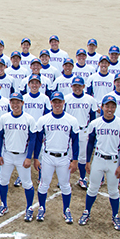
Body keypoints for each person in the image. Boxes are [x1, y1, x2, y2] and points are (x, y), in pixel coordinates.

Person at [79, 95, 120, 229]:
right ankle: (86, 212)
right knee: (93, 187)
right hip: (98, 159)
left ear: (115, 108)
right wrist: (88, 161)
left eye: (112, 106)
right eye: (107, 106)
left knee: (113, 190)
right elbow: (90, 143)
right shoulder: (95, 123)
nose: (110, 109)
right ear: (102, 107)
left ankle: (115, 216)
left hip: (113, 160)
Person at [32, 91, 79, 223]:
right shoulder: (44, 119)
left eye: (59, 101)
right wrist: (36, 158)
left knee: (65, 185)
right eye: (55, 102)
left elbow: (75, 141)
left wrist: (75, 160)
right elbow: (38, 140)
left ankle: (66, 210)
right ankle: (41, 208)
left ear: (63, 103)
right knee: (43, 184)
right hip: (47, 156)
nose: (57, 104)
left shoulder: (71, 120)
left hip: (64, 157)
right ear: (51, 103)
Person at [0, 93, 36, 217]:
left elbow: (33, 139)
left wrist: (29, 157)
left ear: (22, 103)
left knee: (27, 183)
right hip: (7, 154)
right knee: (3, 181)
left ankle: (29, 207)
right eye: (13, 102)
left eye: (18, 102)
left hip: (22, 156)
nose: (15, 105)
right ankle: (3, 205)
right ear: (10, 103)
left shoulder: (29, 119)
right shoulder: (4, 118)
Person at [64, 77, 99, 190]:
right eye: (75, 86)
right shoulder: (66, 99)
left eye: (79, 86)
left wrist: (90, 131)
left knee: (83, 157)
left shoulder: (90, 99)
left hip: (84, 130)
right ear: (72, 86)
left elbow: (93, 118)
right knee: (68, 155)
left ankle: (82, 178)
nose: (77, 88)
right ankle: (65, 179)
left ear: (84, 86)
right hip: (69, 131)